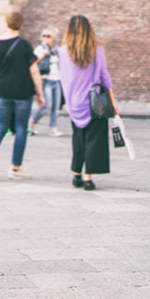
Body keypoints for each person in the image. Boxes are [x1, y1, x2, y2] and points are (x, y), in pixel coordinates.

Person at [57, 15, 118, 190]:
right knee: (93, 139)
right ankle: (88, 178)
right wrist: (113, 101)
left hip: (74, 102)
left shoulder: (62, 52)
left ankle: (76, 174)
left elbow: (63, 78)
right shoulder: (97, 50)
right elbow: (105, 77)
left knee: (78, 138)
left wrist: (68, 100)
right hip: (94, 102)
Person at [0, 11, 44, 180]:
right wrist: (40, 94)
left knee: (0, 126)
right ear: (21, 25)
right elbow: (34, 71)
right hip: (22, 92)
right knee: (21, 128)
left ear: (6, 23)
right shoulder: (24, 45)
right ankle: (15, 168)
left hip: (2, 91)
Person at [29, 28, 63, 137]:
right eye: (44, 36)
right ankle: (32, 121)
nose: (46, 38)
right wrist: (42, 57)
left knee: (56, 106)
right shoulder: (40, 49)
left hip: (57, 79)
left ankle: (53, 128)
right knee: (47, 105)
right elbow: (33, 64)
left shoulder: (58, 50)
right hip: (46, 80)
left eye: (49, 36)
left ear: (54, 37)